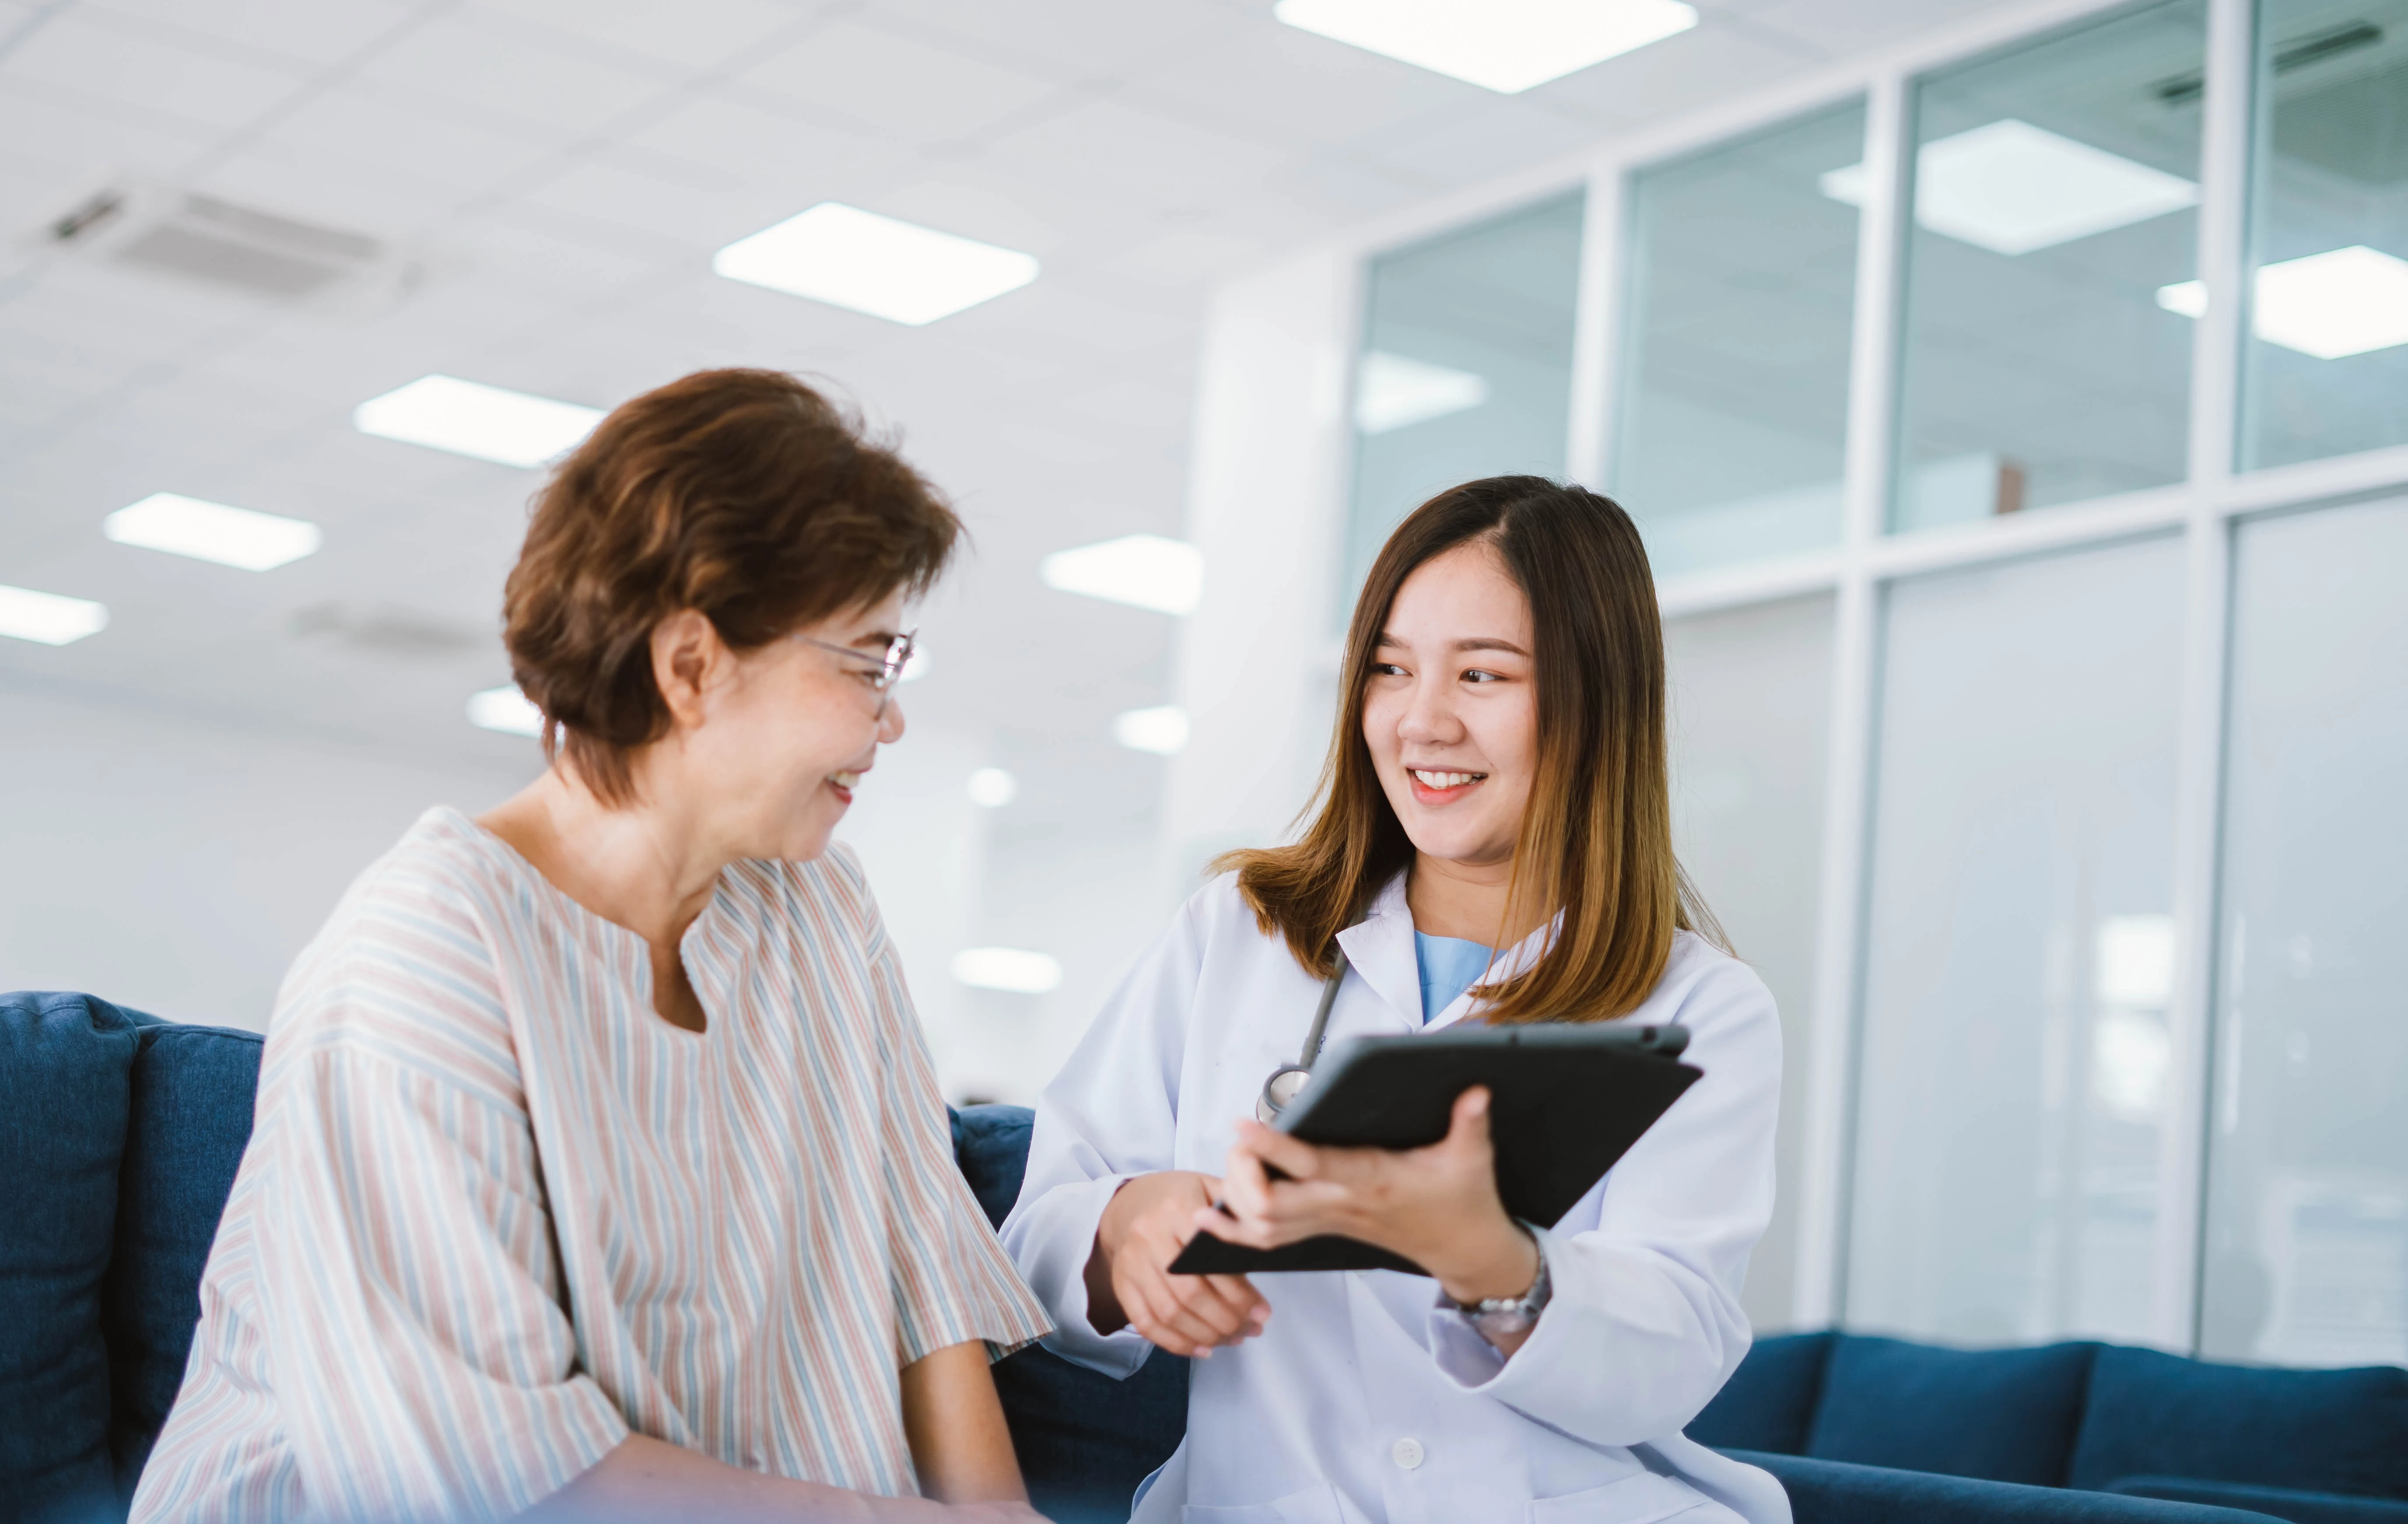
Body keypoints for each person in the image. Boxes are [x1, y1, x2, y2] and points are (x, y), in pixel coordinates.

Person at [136, 370, 1053, 1524]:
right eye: (868, 665)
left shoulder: (820, 905)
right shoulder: (422, 951)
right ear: (691, 665)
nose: (893, 715)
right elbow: (480, 1475)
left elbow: (920, 1269)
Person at [998, 475, 1787, 1524]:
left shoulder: (1703, 1007)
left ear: (1598, 701)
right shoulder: (1238, 932)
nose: (1422, 720)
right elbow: (1030, 1240)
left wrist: (1492, 1259)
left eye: (1483, 673)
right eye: (1390, 668)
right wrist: (1125, 1228)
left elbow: (1672, 1356)